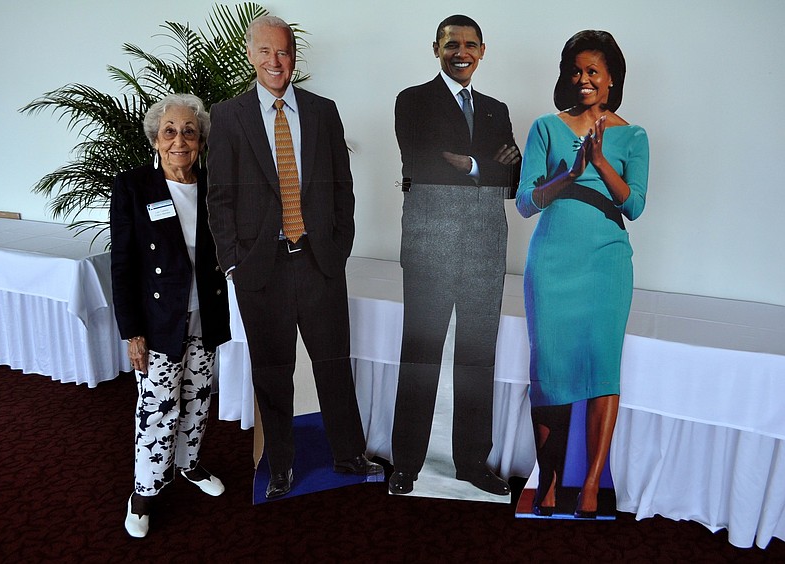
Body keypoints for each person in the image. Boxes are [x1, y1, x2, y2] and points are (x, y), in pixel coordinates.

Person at [206, 15, 381, 500]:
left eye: (282, 52)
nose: (275, 61)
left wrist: (339, 247)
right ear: (251, 56)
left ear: (294, 57)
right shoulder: (229, 116)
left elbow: (342, 188)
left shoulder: (323, 111)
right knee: (273, 371)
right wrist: (233, 264)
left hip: (319, 261)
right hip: (260, 269)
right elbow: (218, 197)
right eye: (265, 52)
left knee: (333, 364)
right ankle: (280, 463)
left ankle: (348, 454)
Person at [515, 30, 648, 517]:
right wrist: (569, 174)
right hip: (552, 263)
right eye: (576, 70)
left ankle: (592, 484)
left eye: (593, 70)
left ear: (612, 79)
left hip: (607, 265)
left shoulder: (634, 136)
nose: (584, 78)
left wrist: (597, 162)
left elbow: (634, 204)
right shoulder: (546, 128)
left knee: (601, 371)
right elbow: (527, 202)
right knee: (549, 373)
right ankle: (548, 483)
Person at [389, 14, 521, 496]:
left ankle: (471, 462)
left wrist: (467, 163)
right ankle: (406, 463)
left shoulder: (495, 108)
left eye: (469, 45)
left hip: (485, 248)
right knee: (420, 354)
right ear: (436, 48)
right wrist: (485, 164)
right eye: (451, 44)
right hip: (430, 246)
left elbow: (513, 178)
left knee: (477, 357)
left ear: (482, 50)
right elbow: (424, 162)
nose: (460, 52)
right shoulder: (413, 101)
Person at [110, 93, 232, 538]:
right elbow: (122, 265)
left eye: (189, 132)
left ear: (200, 141)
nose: (180, 140)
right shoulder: (133, 186)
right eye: (170, 132)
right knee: (158, 407)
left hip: (206, 315)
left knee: (198, 400)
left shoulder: (214, 185)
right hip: (158, 322)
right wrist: (132, 332)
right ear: (156, 140)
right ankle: (143, 492)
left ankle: (189, 464)